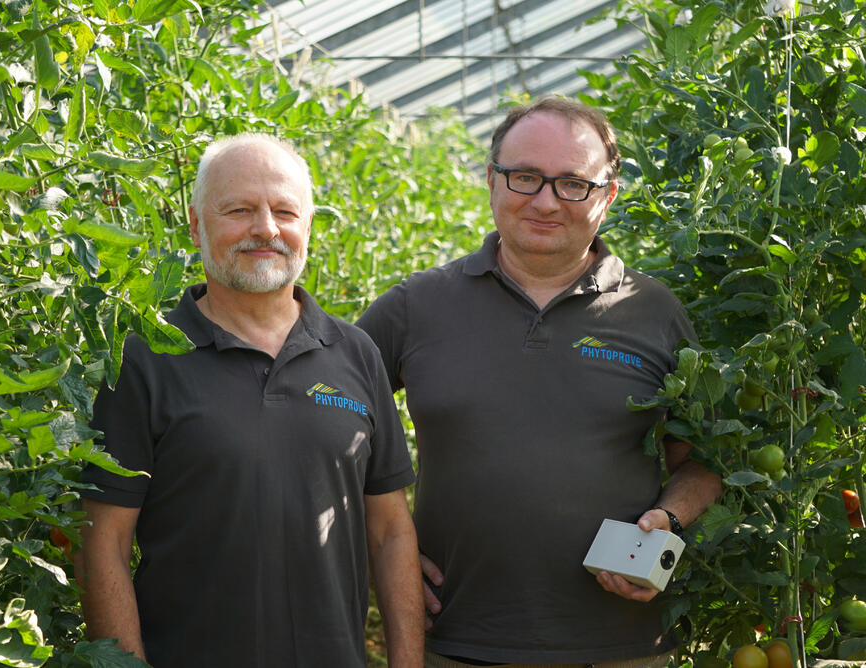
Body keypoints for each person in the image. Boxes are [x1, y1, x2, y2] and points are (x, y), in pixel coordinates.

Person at [356, 98, 723, 668]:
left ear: (609, 195)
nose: (546, 201)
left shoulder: (654, 313)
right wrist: (380, 551)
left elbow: (700, 460)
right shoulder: (416, 307)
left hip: (621, 647)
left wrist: (667, 523)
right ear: (492, 181)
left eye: (574, 183)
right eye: (525, 177)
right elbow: (321, 430)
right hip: (456, 643)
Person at [78, 133, 424, 667]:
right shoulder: (144, 358)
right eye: (239, 209)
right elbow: (104, 544)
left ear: (307, 226)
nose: (266, 229)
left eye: (285, 211)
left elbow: (391, 531)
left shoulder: (355, 353)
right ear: (196, 224)